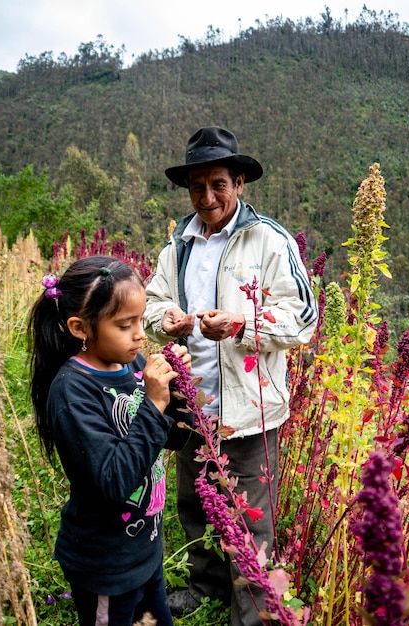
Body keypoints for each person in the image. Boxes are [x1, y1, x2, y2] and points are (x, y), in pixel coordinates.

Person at [144, 126, 318, 625]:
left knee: (248, 519)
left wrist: (242, 325)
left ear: (239, 182)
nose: (207, 197)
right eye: (197, 186)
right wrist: (166, 320)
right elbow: (154, 304)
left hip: (249, 408)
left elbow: (303, 318)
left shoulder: (268, 241)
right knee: (195, 504)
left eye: (218, 183)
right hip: (191, 405)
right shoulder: (178, 245)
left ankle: (252, 611)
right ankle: (207, 586)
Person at [28, 255, 193, 626]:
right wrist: (152, 403)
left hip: (144, 551)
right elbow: (114, 481)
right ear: (80, 327)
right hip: (106, 565)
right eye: (124, 325)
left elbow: (163, 439)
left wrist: (178, 393)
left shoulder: (129, 365)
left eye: (140, 319)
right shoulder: (72, 392)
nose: (139, 334)